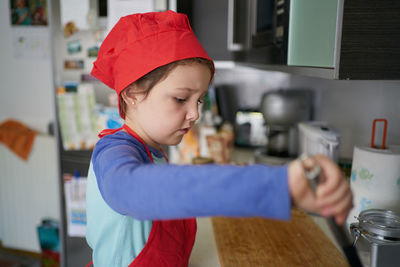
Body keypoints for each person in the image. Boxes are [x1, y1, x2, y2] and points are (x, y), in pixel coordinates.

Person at [86, 10, 353, 267]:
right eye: (181, 99)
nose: (195, 114)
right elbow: (137, 192)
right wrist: (277, 186)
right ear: (132, 94)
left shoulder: (151, 149)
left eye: (199, 100)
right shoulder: (114, 153)